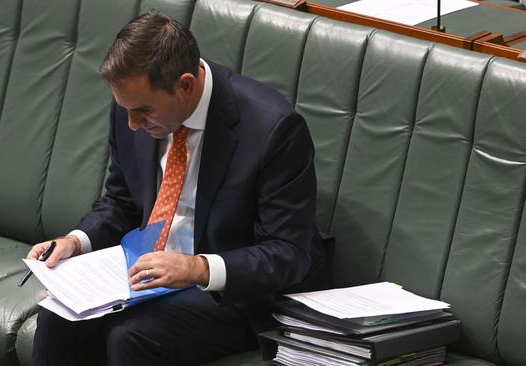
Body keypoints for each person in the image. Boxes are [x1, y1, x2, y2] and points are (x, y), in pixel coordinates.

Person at [28, 11, 326, 366]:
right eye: (126, 110)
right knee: (57, 318)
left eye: (142, 112)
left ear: (185, 86)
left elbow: (288, 253)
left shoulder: (272, 129)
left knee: (133, 336)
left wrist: (198, 268)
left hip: (231, 292)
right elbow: (121, 202)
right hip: (146, 276)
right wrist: (75, 242)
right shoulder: (133, 103)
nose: (132, 124)